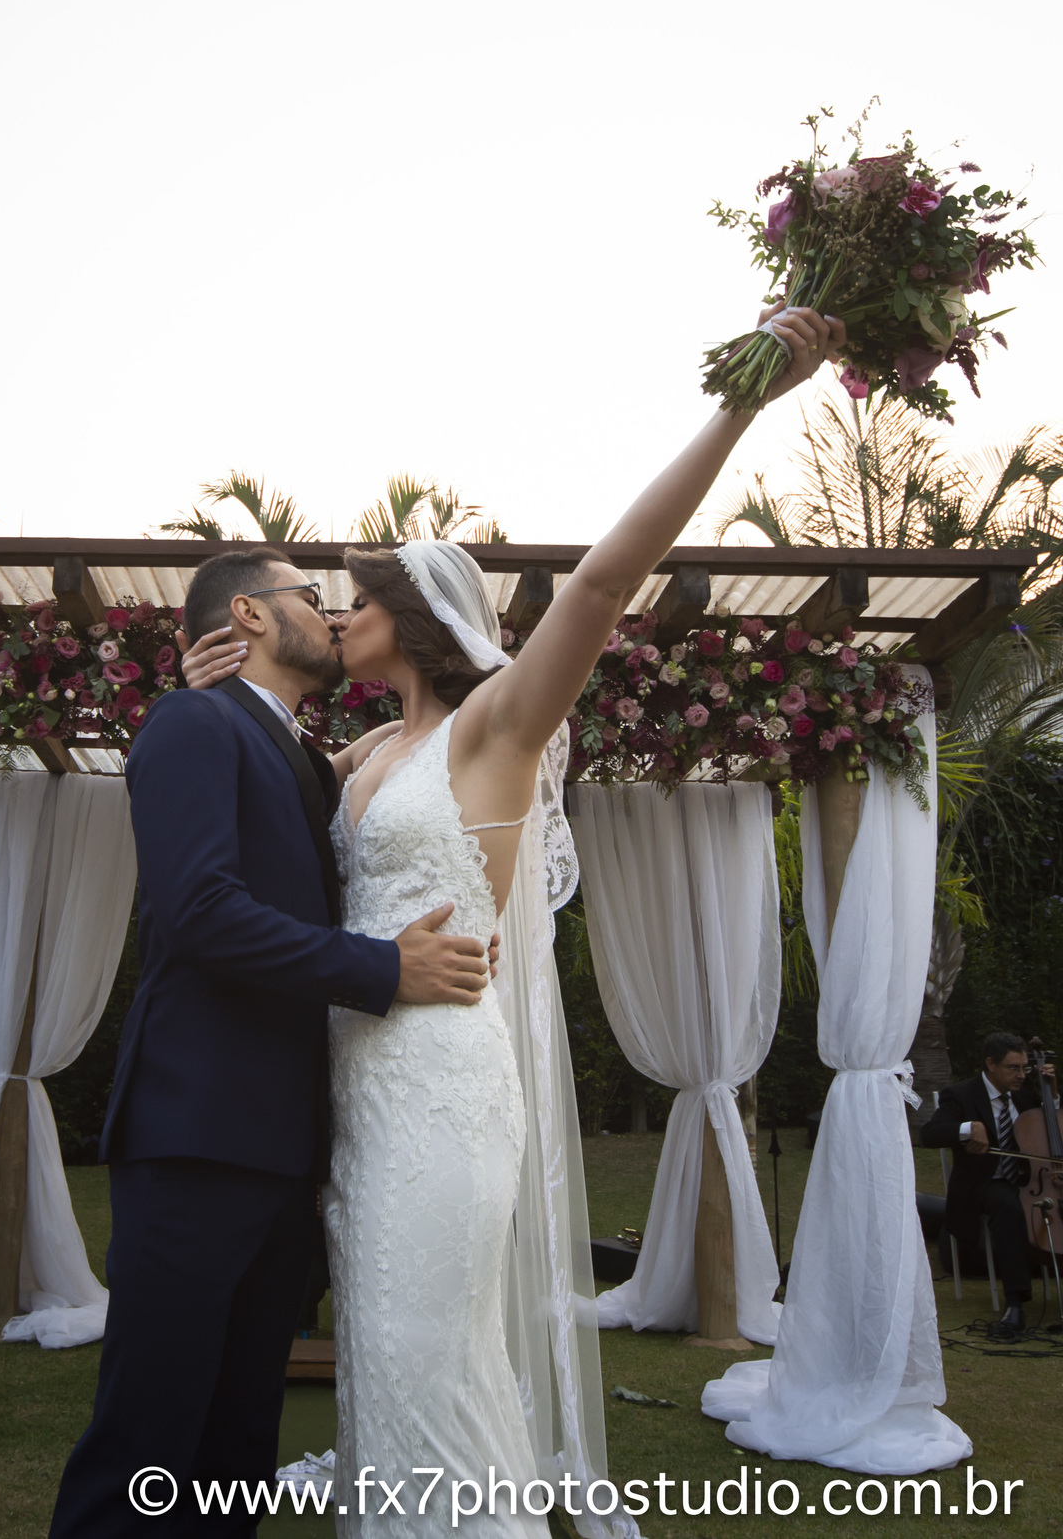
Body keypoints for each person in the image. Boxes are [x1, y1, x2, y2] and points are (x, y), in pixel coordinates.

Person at [181, 305, 839, 1534]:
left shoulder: (496, 727)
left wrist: (742, 402)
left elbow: (600, 582)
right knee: (383, 1360)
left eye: (352, 600)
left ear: (409, 616)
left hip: (442, 1084)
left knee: (433, 1357)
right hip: (361, 1089)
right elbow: (266, 840)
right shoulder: (364, 747)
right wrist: (203, 699)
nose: (333, 614)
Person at [48, 543, 499, 1538]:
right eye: (311, 596)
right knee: (146, 1437)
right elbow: (202, 910)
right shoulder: (191, 722)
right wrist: (385, 969)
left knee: (237, 1443)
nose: (334, 616)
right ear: (249, 615)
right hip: (197, 1137)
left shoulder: (291, 751)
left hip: (286, 1154)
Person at [921, 1032, 1060, 1333]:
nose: (1022, 1075)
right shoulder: (960, 1095)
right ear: (990, 1064)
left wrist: (1051, 1091)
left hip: (1031, 1180)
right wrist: (969, 1127)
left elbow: (1050, 1128)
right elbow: (930, 1134)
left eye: (1025, 1068)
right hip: (988, 1181)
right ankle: (1015, 1303)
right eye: (1014, 1068)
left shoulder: (1024, 1095)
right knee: (1008, 1207)